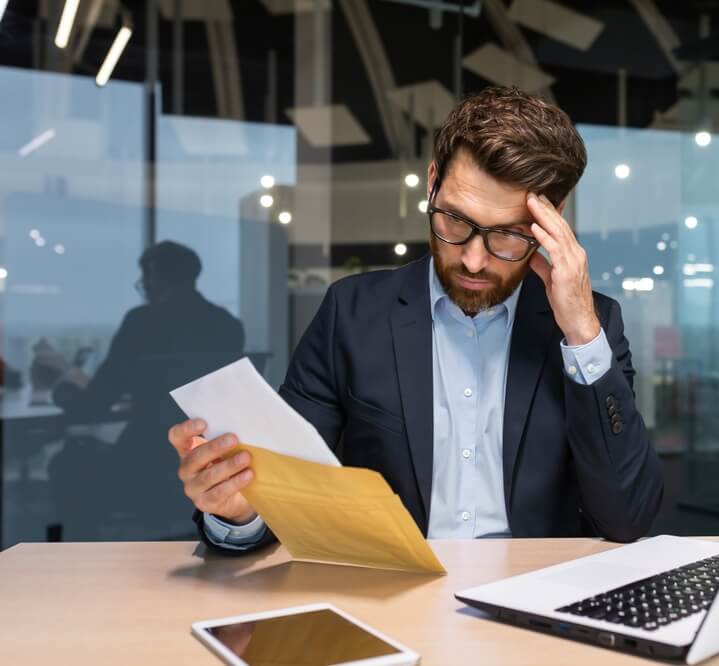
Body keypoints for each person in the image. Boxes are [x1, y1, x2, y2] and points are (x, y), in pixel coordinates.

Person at [170, 86, 663, 552]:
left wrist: (581, 334)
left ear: (552, 221)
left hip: (533, 603)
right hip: (391, 597)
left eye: (508, 236)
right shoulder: (353, 313)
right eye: (454, 220)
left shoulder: (592, 327)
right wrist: (239, 512)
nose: (472, 260)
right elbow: (284, 489)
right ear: (432, 183)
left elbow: (627, 517)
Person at [47, 241, 244, 537]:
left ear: (156, 277)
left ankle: (73, 559)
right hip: (210, 458)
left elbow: (97, 402)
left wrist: (62, 391)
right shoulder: (228, 325)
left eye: (146, 279)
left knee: (67, 463)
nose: (145, 287)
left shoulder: (142, 322)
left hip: (144, 459)